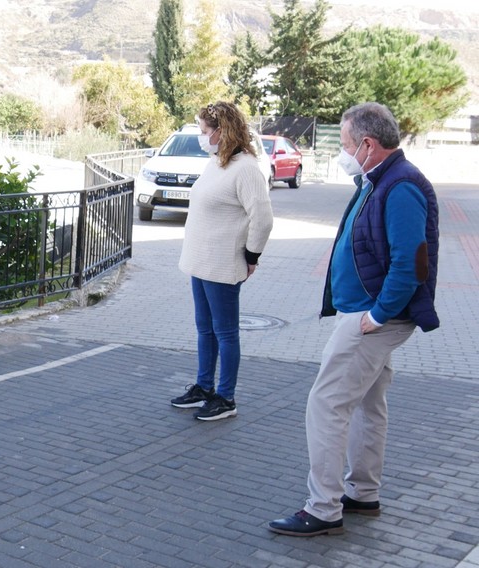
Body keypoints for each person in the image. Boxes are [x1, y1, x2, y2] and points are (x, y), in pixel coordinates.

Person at [269, 102, 439, 536]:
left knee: (326, 404)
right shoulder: (378, 179)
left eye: (345, 144)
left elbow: (410, 263)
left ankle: (323, 508)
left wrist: (377, 316)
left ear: (367, 144)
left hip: (372, 317)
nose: (342, 153)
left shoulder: (400, 186)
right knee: (368, 403)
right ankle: (362, 493)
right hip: (367, 312)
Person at [170, 101, 274, 421]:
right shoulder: (216, 162)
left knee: (225, 332)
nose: (202, 137)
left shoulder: (246, 169)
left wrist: (251, 256)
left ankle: (226, 398)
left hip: (223, 263)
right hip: (200, 262)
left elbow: (263, 218)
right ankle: (204, 387)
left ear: (222, 131)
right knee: (205, 329)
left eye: (204, 131)